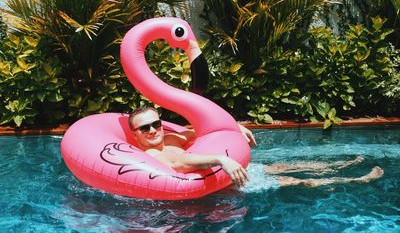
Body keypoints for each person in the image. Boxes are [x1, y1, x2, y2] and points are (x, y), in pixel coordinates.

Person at [128, 106, 384, 188]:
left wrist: (233, 128)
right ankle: (355, 180)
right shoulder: (151, 154)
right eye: (145, 128)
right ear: (135, 135)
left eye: (156, 123)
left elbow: (199, 130)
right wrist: (222, 159)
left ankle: (340, 164)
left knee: (285, 166)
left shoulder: (171, 138)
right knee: (292, 180)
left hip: (229, 172)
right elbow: (178, 164)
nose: (152, 130)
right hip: (227, 185)